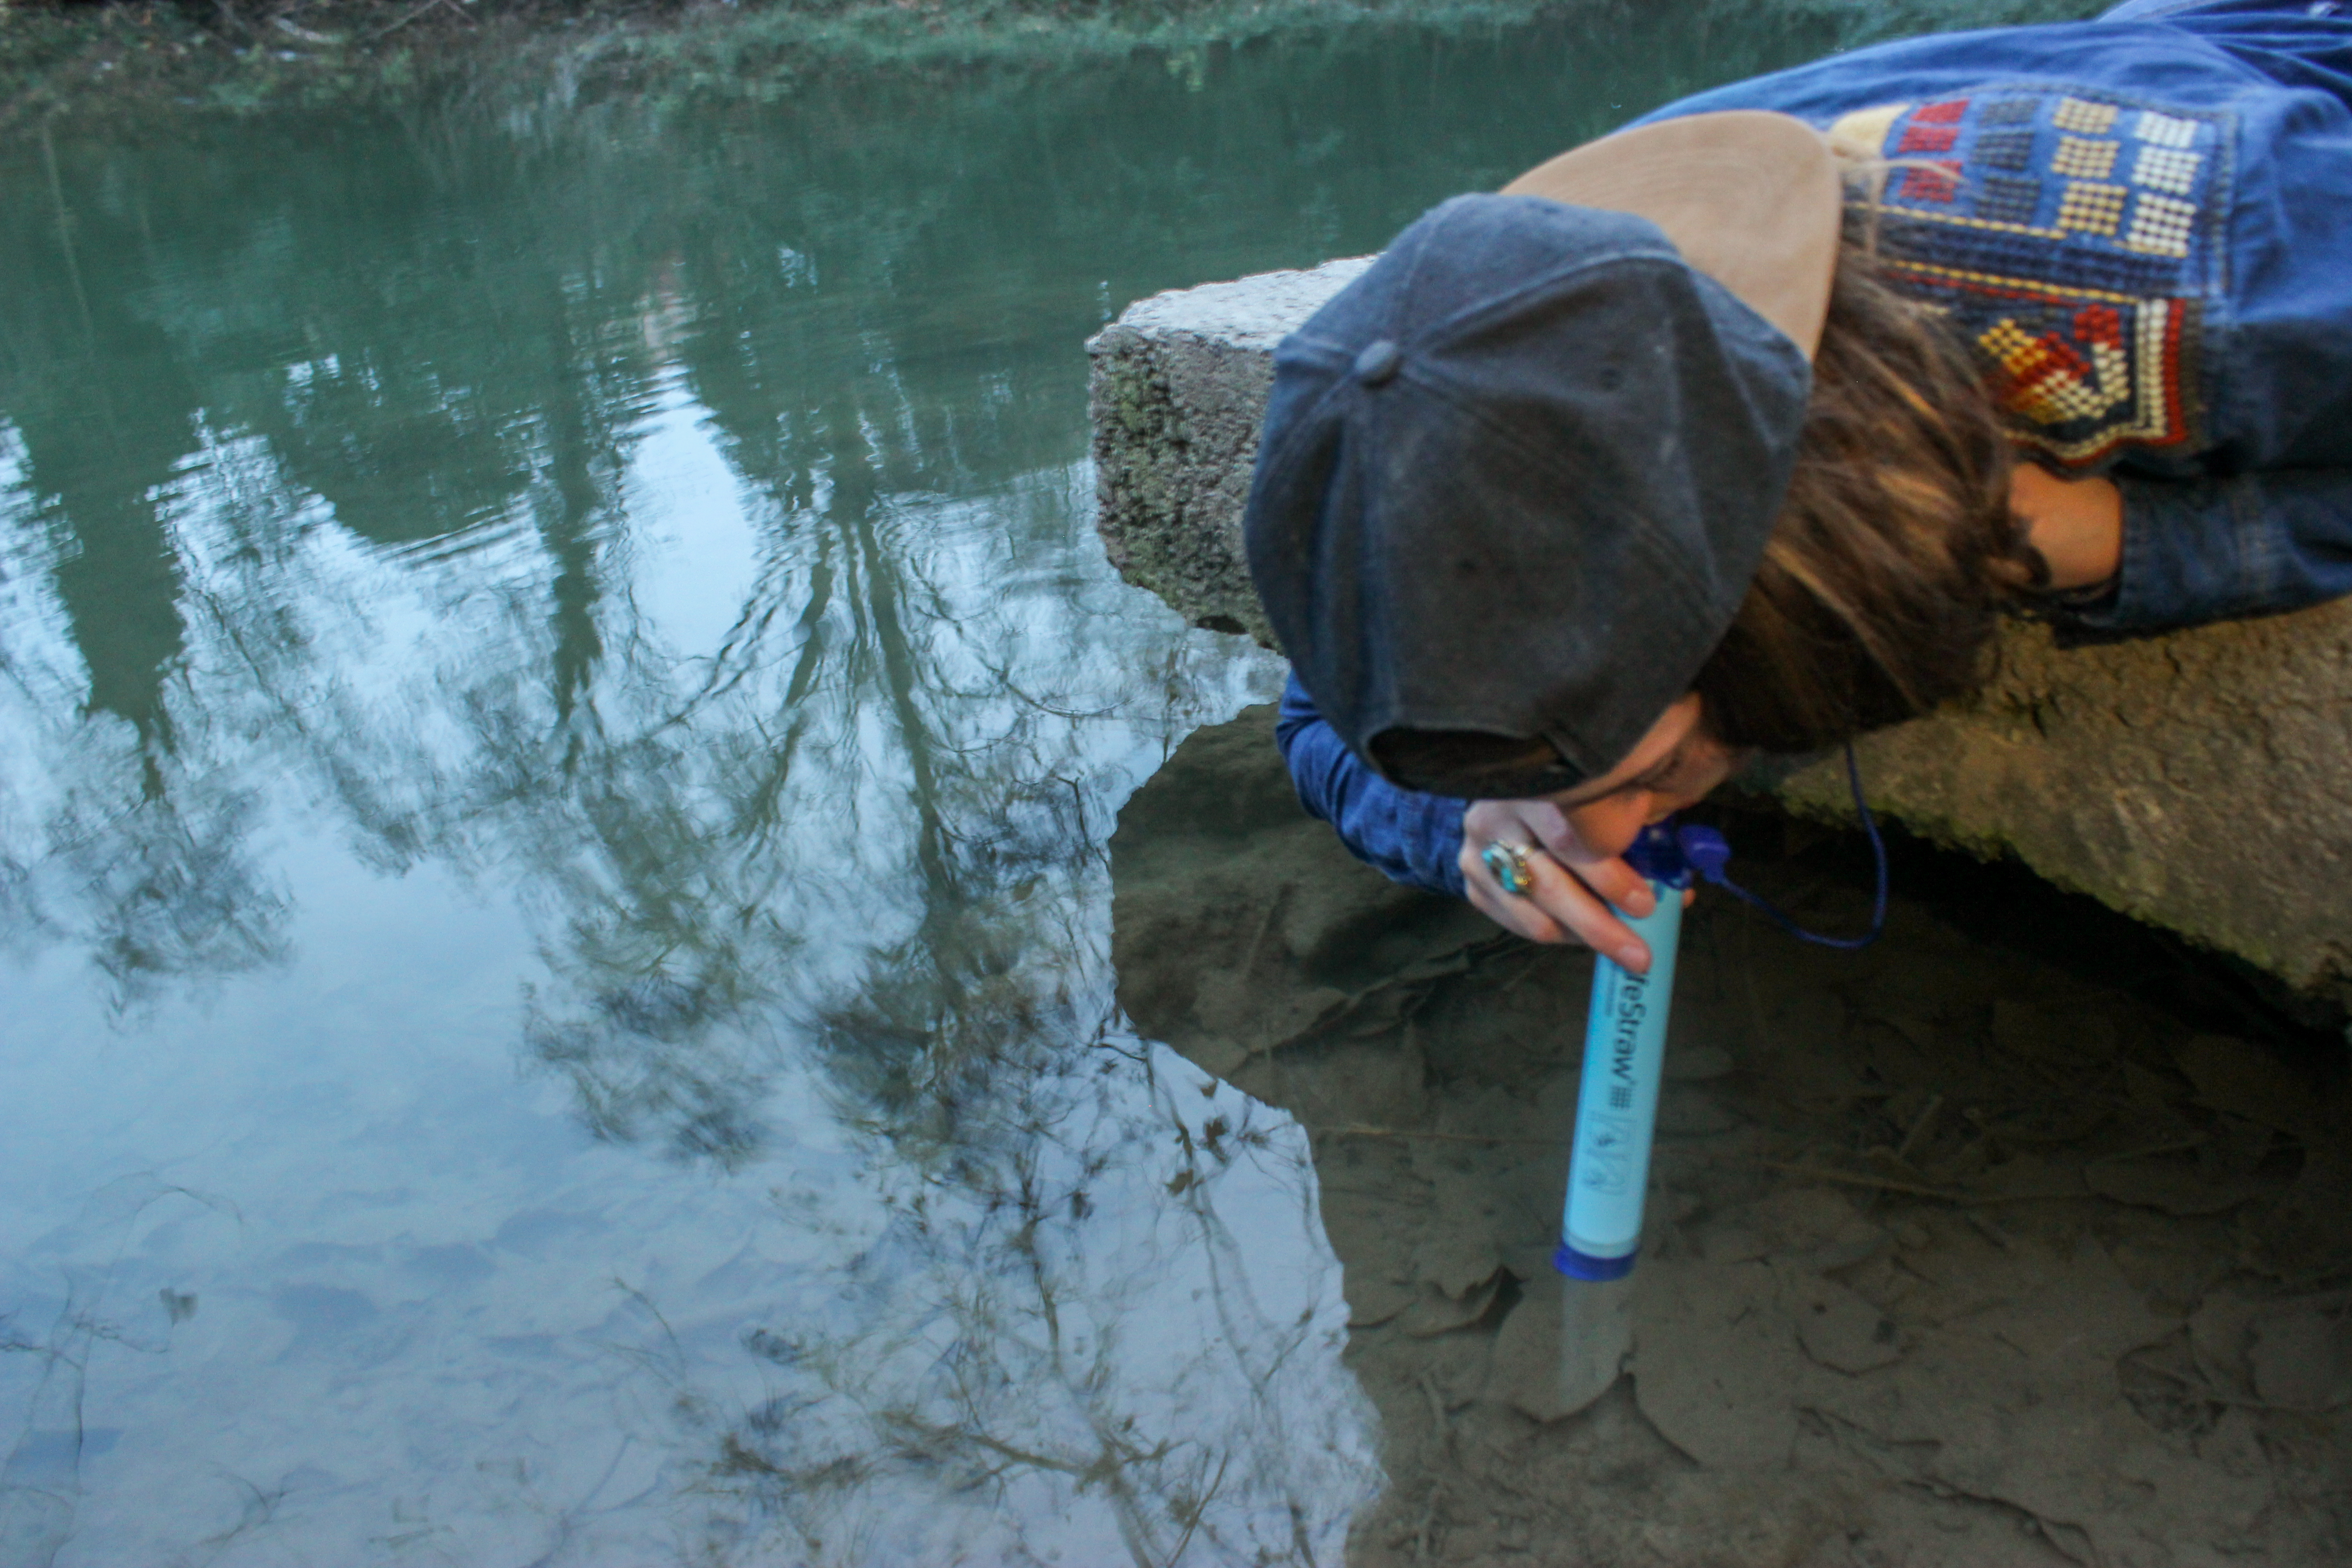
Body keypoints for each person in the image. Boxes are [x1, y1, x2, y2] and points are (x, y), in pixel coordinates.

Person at [1245, 0, 2352, 974]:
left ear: (1790, 588)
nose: (1611, 837)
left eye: (1646, 773)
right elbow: (1314, 715)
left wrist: (2111, 539)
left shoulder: (2220, 306)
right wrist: (1472, 827)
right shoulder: (1543, 332)